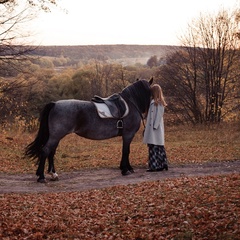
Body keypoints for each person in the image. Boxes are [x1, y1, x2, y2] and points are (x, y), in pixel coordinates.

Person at [143, 84, 168, 172]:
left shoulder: (159, 103)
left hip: (155, 130)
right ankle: (161, 164)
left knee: (155, 147)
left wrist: (154, 127)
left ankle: (155, 166)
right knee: (156, 147)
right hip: (153, 129)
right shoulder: (153, 102)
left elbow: (158, 116)